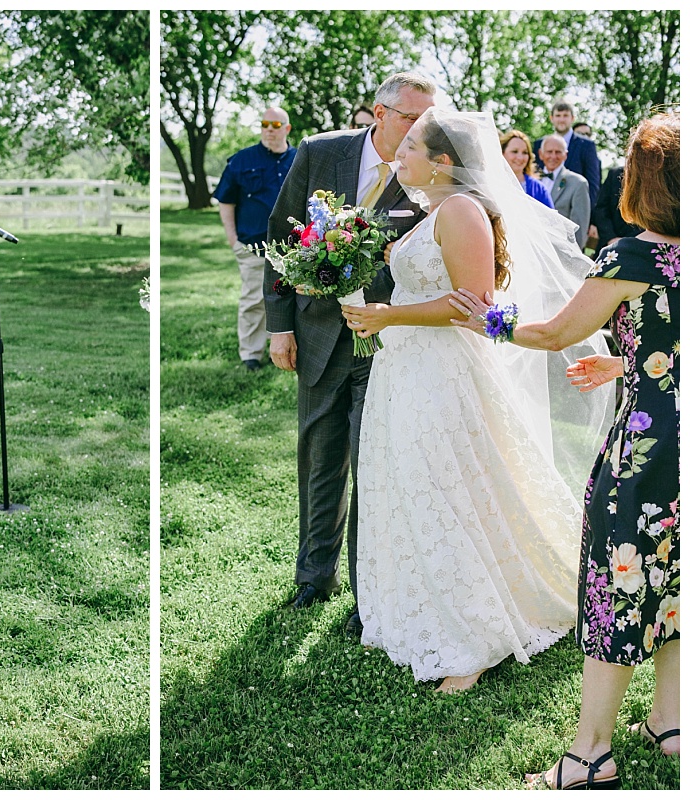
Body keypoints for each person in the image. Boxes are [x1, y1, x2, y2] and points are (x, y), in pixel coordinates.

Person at [340, 109, 614, 693]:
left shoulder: (461, 211)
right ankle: (418, 609)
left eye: (411, 146)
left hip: (445, 372)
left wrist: (389, 314)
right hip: (406, 365)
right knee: (411, 484)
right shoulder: (431, 211)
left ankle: (475, 639)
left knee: (449, 488)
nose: (400, 153)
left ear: (442, 162)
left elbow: (475, 303)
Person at [449, 111, 679, 790]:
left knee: (620, 581)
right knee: (676, 578)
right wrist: (633, 364)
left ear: (639, 181)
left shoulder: (633, 254)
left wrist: (486, 317)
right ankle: (670, 722)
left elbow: (553, 333)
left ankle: (589, 754)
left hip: (650, 449)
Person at [264, 72, 434, 637]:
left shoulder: (430, 173)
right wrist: (279, 327)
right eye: (411, 117)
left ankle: (370, 593)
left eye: (427, 119)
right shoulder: (320, 153)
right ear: (380, 113)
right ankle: (314, 577)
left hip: (387, 344)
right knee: (318, 457)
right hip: (314, 336)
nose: (421, 129)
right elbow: (280, 238)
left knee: (373, 464)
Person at [214, 106, 296, 371]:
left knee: (290, 298)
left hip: (291, 247)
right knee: (254, 300)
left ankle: (283, 349)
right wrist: (232, 239)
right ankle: (251, 353)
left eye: (275, 125)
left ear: (287, 129)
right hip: (252, 245)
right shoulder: (241, 160)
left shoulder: (299, 159)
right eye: (264, 124)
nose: (269, 130)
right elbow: (225, 201)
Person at [539, 134, 592, 249]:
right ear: (541, 154)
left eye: (558, 152)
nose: (553, 156)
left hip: (560, 252)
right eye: (549, 151)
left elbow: (579, 230)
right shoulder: (530, 180)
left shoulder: (578, 183)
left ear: (565, 155)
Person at [551, 101, 603, 209]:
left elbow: (593, 185)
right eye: (558, 116)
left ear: (572, 118)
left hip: (576, 210)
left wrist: (590, 218)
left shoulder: (586, 145)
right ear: (552, 118)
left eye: (565, 116)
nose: (561, 120)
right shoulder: (541, 144)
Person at [593, 164, 643, 250]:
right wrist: (611, 238)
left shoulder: (657, 179)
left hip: (639, 245)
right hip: (609, 244)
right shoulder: (615, 174)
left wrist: (629, 242)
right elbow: (601, 209)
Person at [500, 129, 553, 208]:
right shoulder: (493, 184)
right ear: (503, 153)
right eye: (514, 151)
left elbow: (551, 219)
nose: (520, 157)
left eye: (525, 152)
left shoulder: (539, 189)